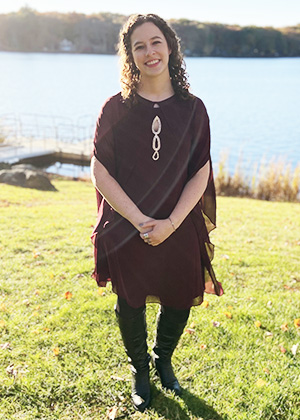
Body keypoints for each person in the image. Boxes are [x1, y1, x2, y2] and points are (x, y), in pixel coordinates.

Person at [90, 13, 223, 412]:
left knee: (181, 296)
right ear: (130, 56)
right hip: (127, 224)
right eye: (139, 46)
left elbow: (201, 171)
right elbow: (99, 169)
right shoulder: (115, 108)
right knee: (129, 300)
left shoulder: (194, 109)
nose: (150, 52)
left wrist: (170, 223)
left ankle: (163, 360)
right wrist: (137, 220)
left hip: (178, 224)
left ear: (170, 46)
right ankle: (140, 370)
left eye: (156, 42)